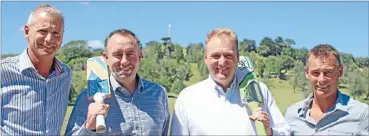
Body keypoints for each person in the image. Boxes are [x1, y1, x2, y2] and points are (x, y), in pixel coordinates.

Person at [170, 27, 290, 135]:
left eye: (228, 55)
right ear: (205, 58)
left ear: (238, 57)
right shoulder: (187, 98)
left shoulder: (259, 91)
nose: (222, 62)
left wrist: (269, 132)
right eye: (216, 56)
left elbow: (284, 132)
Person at [65, 29, 170, 135]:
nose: (124, 61)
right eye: (118, 54)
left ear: (139, 56)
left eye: (130, 53)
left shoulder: (159, 93)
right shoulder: (86, 99)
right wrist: (89, 127)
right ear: (106, 58)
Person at [1, 4, 72, 135]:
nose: (49, 39)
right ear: (27, 32)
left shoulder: (66, 74)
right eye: (43, 31)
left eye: (56, 33)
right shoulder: (3, 71)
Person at [284, 44, 369, 135]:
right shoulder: (292, 115)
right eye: (315, 73)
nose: (321, 80)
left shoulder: (361, 115)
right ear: (307, 73)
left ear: (340, 71)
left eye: (328, 73)